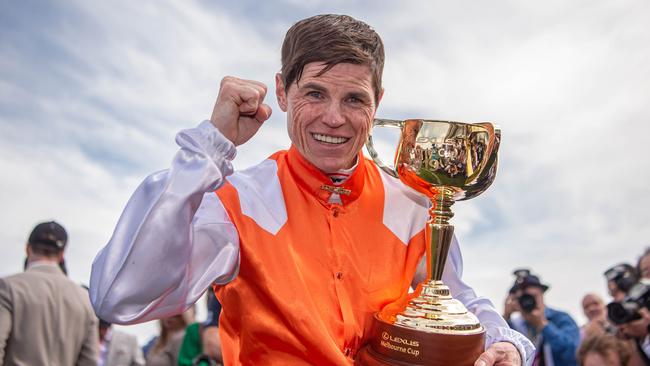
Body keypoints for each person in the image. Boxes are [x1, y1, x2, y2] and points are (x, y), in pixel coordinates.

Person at [89, 14, 533, 365]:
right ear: (282, 91)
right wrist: (209, 148)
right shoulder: (238, 202)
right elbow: (122, 298)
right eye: (315, 94)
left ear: (378, 100)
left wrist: (506, 343)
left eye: (354, 99)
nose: (334, 118)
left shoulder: (414, 202)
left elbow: (455, 297)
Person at [0, 221, 98, 365]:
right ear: (62, 255)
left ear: (28, 249)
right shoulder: (84, 300)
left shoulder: (8, 287)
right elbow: (89, 361)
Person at [504, 269, 580, 365]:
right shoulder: (513, 326)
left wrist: (543, 325)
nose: (527, 302)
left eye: (531, 297)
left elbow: (573, 354)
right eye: (522, 299)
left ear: (541, 294)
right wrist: (505, 317)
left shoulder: (561, 319)